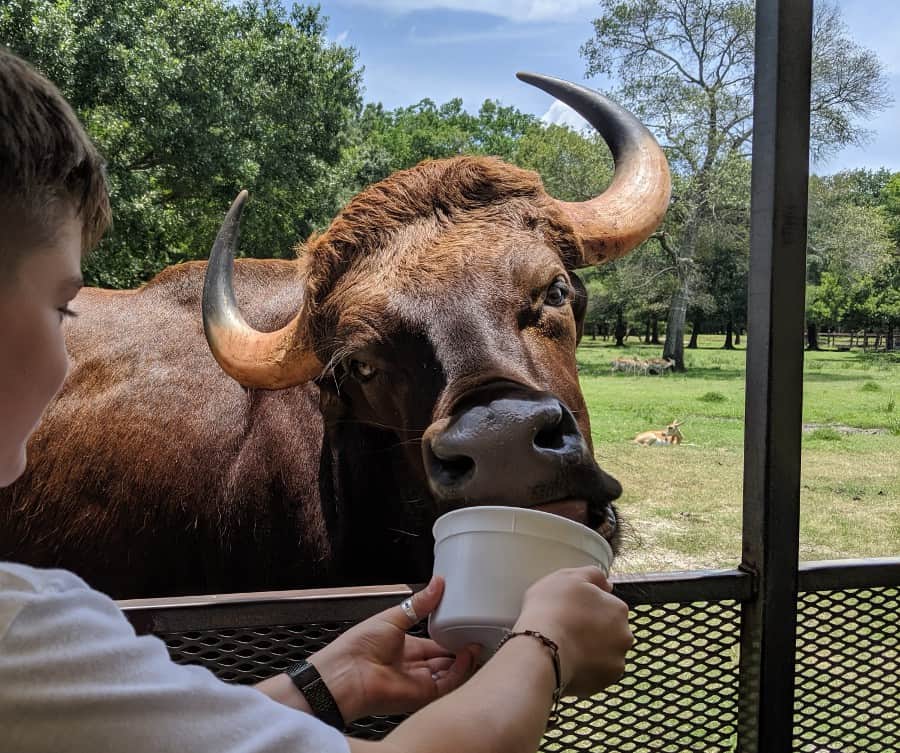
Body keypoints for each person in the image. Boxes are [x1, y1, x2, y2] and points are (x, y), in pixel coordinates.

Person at [0, 47, 634, 753]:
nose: (66, 355)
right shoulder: (22, 624)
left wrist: (327, 680)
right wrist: (543, 647)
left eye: (551, 296)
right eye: (64, 307)